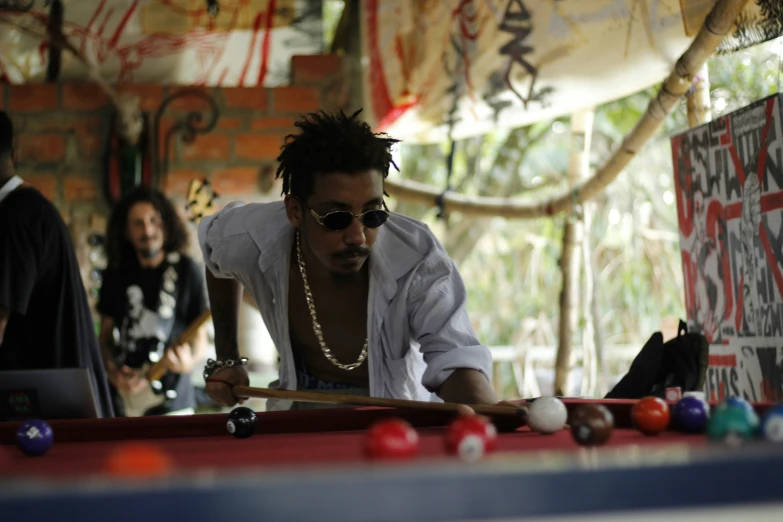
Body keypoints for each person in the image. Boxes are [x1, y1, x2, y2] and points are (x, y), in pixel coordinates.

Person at [198, 109, 499, 411]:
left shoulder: (417, 258)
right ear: (294, 212)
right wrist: (227, 358)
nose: (358, 236)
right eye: (336, 217)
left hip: (396, 413)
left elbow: (456, 356)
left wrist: (484, 410)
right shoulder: (252, 235)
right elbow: (214, 252)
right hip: (300, 406)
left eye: (373, 214)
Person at [0, 110, 115, 418]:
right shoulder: (30, 209)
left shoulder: (14, 219)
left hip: (49, 409)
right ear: (14, 151)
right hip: (57, 398)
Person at [97, 186, 208, 417]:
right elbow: (105, 337)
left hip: (174, 402)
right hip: (124, 402)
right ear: (126, 231)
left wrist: (187, 362)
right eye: (137, 223)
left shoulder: (187, 270)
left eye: (153, 220)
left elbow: (199, 340)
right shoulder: (116, 273)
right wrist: (112, 371)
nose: (147, 230)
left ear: (166, 224)